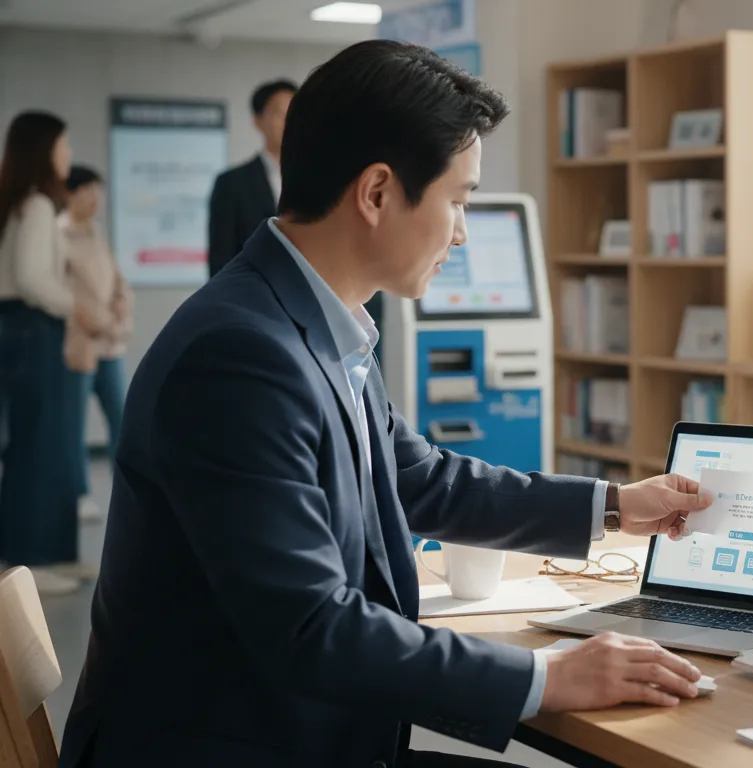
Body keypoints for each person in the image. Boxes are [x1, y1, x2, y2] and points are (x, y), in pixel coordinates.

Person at [60, 40, 711, 768]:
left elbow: (418, 479)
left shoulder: (315, 320)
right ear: (376, 193)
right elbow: (311, 628)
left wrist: (619, 504)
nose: (463, 232)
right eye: (458, 200)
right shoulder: (239, 357)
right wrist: (550, 676)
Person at [0, 110, 88, 595]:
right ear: (42, 151)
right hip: (33, 326)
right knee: (39, 447)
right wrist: (72, 305)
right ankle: (29, 564)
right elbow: (33, 279)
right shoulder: (35, 205)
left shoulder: (21, 203)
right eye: (62, 145)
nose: (68, 154)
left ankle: (53, 555)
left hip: (22, 329)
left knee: (41, 443)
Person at [61, 164, 132, 520]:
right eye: (86, 190)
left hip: (110, 345)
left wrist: (121, 307)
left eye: (97, 190)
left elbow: (117, 280)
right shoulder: (59, 234)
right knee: (73, 425)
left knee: (123, 417)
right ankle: (79, 493)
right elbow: (69, 296)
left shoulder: (96, 232)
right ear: (69, 194)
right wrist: (105, 323)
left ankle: (131, 487)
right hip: (81, 343)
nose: (94, 198)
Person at [206, 78, 295, 276]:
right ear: (258, 121)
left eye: (296, 113)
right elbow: (221, 260)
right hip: (252, 298)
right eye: (278, 113)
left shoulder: (320, 181)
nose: (289, 121)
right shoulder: (231, 184)